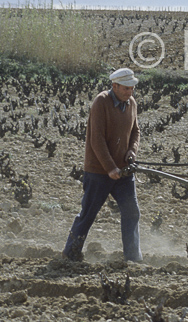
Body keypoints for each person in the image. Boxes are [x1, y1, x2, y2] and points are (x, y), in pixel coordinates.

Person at [63, 67, 142, 262]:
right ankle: (70, 254)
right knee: (88, 213)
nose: (130, 92)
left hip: (123, 171)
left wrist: (132, 151)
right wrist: (109, 168)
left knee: (132, 211)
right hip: (99, 171)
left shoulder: (131, 103)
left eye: (132, 88)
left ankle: (132, 257)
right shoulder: (101, 102)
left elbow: (135, 131)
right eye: (125, 88)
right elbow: (96, 139)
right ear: (114, 86)